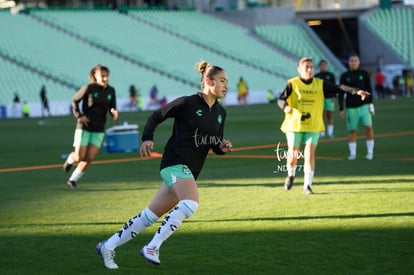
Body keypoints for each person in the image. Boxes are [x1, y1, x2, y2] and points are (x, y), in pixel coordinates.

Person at [96, 60, 233, 269]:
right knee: (191, 203)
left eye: (227, 82)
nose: (226, 85)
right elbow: (157, 115)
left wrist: (222, 147)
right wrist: (147, 137)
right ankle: (153, 246)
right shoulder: (188, 103)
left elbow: (214, 144)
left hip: (190, 171)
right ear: (208, 80)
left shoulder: (221, 113)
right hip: (175, 162)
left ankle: (108, 245)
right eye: (222, 81)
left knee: (149, 216)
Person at [278, 57, 369, 195]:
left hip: (313, 125)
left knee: (309, 154)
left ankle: (307, 186)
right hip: (294, 125)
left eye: (311, 67)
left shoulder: (320, 84)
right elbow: (281, 99)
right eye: (306, 67)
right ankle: (290, 175)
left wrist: (356, 91)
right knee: (293, 155)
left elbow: (339, 87)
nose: (309, 69)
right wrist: (285, 107)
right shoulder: (292, 83)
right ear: (299, 69)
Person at [63, 64, 118, 189]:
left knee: (89, 158)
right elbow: (74, 100)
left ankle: (72, 180)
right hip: (85, 126)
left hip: (99, 129)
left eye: (107, 76)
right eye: (102, 76)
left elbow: (112, 106)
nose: (105, 79)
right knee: (79, 157)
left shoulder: (111, 90)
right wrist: (79, 116)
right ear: (95, 76)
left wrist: (114, 111)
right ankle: (71, 159)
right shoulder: (89, 88)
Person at [339, 54, 375, 161]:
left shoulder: (364, 74)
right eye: (351, 60)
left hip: (364, 106)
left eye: (355, 60)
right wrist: (341, 108)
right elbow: (341, 92)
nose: (353, 62)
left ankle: (370, 152)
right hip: (351, 107)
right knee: (352, 131)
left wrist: (371, 104)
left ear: (359, 62)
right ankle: (353, 154)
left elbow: (369, 89)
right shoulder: (344, 76)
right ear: (348, 62)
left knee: (368, 128)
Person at [314, 60, 336, 138]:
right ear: (319, 66)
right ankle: (322, 132)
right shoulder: (317, 76)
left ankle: (330, 132)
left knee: (329, 115)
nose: (323, 67)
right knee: (321, 115)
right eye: (322, 65)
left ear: (326, 66)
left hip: (329, 97)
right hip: (320, 98)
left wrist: (334, 96)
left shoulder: (330, 75)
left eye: (324, 65)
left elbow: (334, 86)